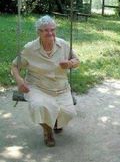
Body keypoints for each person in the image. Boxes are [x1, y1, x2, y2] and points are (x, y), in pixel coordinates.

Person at [11, 15, 80, 147]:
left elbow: (77, 61)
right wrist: (20, 81)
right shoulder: (30, 48)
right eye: (46, 30)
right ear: (38, 32)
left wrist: (70, 63)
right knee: (39, 107)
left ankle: (55, 122)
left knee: (68, 113)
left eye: (52, 29)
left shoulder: (63, 45)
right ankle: (48, 131)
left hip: (60, 87)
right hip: (38, 87)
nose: (50, 33)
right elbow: (15, 66)